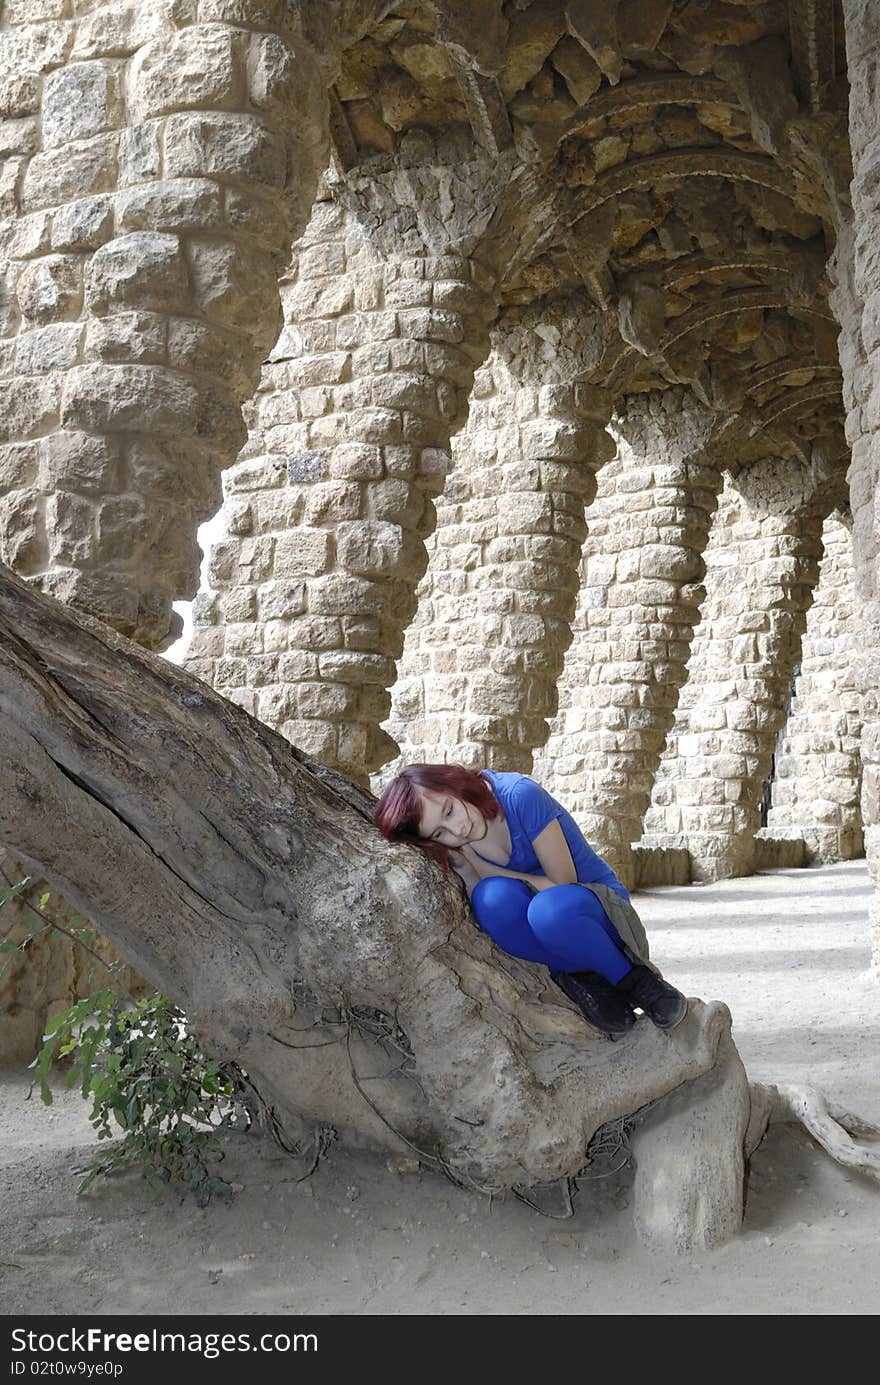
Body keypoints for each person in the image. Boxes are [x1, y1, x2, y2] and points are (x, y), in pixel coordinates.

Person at [374, 763, 688, 1038]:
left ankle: (635, 981)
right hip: (551, 943)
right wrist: (474, 873)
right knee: (490, 899)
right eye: (439, 833)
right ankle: (583, 980)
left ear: (454, 784)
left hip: (596, 914)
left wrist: (485, 868)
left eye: (449, 810)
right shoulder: (456, 846)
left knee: (548, 911)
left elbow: (560, 883)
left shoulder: (519, 795)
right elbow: (490, 914)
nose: (457, 829)